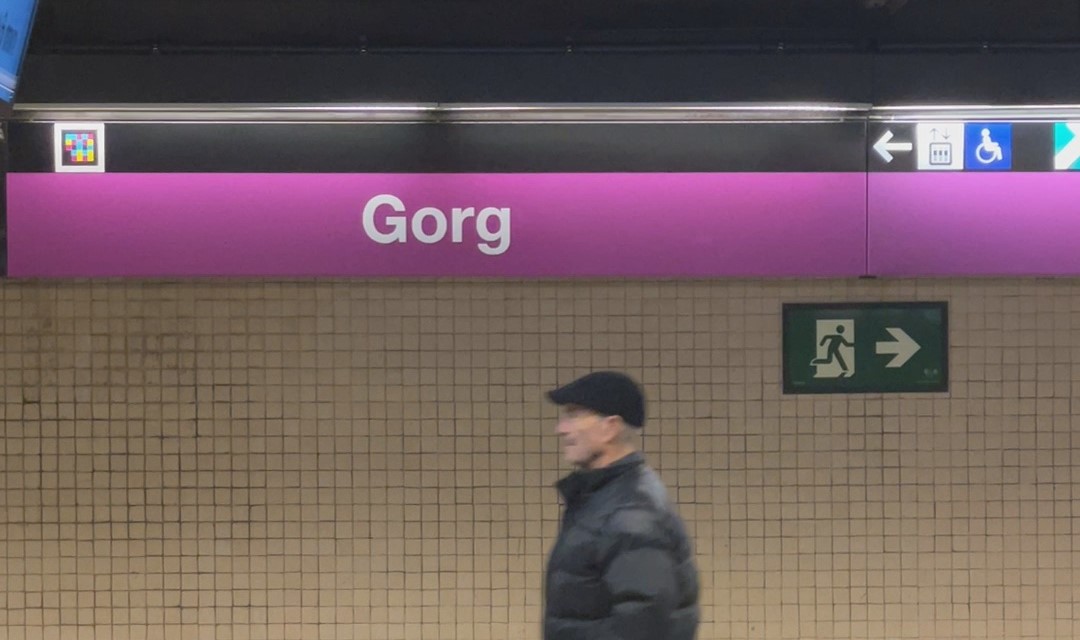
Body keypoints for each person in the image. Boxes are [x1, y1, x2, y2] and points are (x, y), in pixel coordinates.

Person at [542, 370, 700, 640]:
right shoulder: (603, 502)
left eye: (573, 414)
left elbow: (646, 628)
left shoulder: (630, 514)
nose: (561, 428)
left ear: (610, 427)